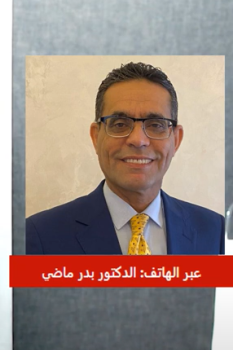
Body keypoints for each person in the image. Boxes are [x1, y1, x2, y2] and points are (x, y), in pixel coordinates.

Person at [26, 62, 225, 255]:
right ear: (96, 137)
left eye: (156, 125)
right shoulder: (39, 236)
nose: (138, 140)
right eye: (120, 124)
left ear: (176, 139)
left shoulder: (216, 233)